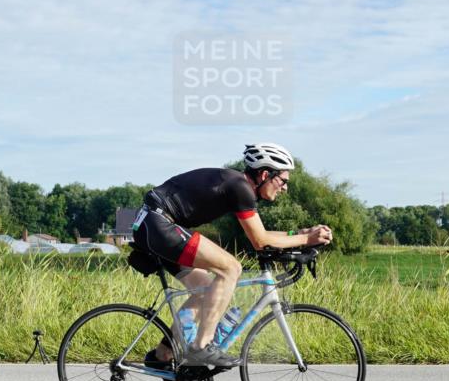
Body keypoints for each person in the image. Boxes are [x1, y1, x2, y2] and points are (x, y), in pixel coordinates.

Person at [133, 143, 332, 368]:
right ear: (266, 174)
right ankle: (201, 347)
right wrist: (307, 240)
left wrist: (300, 234)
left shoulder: (237, 185)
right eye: (283, 181)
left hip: (153, 224)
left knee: (204, 289)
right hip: (159, 224)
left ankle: (163, 354)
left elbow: (261, 234)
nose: (285, 188)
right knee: (230, 268)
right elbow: (260, 242)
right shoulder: (240, 187)